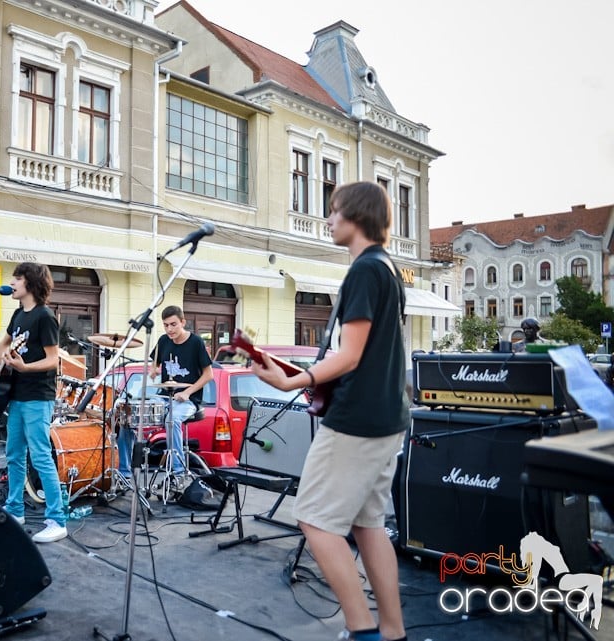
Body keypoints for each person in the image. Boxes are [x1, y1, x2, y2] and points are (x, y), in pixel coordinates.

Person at [248, 182, 408, 641]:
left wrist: (294, 380)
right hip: (386, 418)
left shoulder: (363, 271)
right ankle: (392, 631)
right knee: (368, 523)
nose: (329, 220)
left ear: (355, 215)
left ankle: (362, 631)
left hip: (356, 420)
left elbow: (352, 354)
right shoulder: (388, 270)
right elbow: (365, 353)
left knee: (314, 518)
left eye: (334, 211)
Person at [0, 262, 66, 543]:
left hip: (37, 395)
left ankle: (57, 519)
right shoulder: (19, 314)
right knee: (14, 454)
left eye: (17, 278)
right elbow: (4, 344)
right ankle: (15, 509)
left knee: (41, 456)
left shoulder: (44, 317)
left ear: (29, 283)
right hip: (16, 395)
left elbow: (54, 359)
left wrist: (25, 368)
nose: (12, 282)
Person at [118, 305, 213, 480]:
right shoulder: (163, 341)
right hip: (164, 397)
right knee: (128, 419)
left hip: (189, 400)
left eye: (173, 324)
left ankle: (177, 471)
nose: (169, 329)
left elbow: (209, 374)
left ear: (183, 322)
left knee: (172, 420)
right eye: (166, 325)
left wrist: (187, 392)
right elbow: (155, 361)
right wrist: (154, 369)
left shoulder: (196, 343)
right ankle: (124, 472)